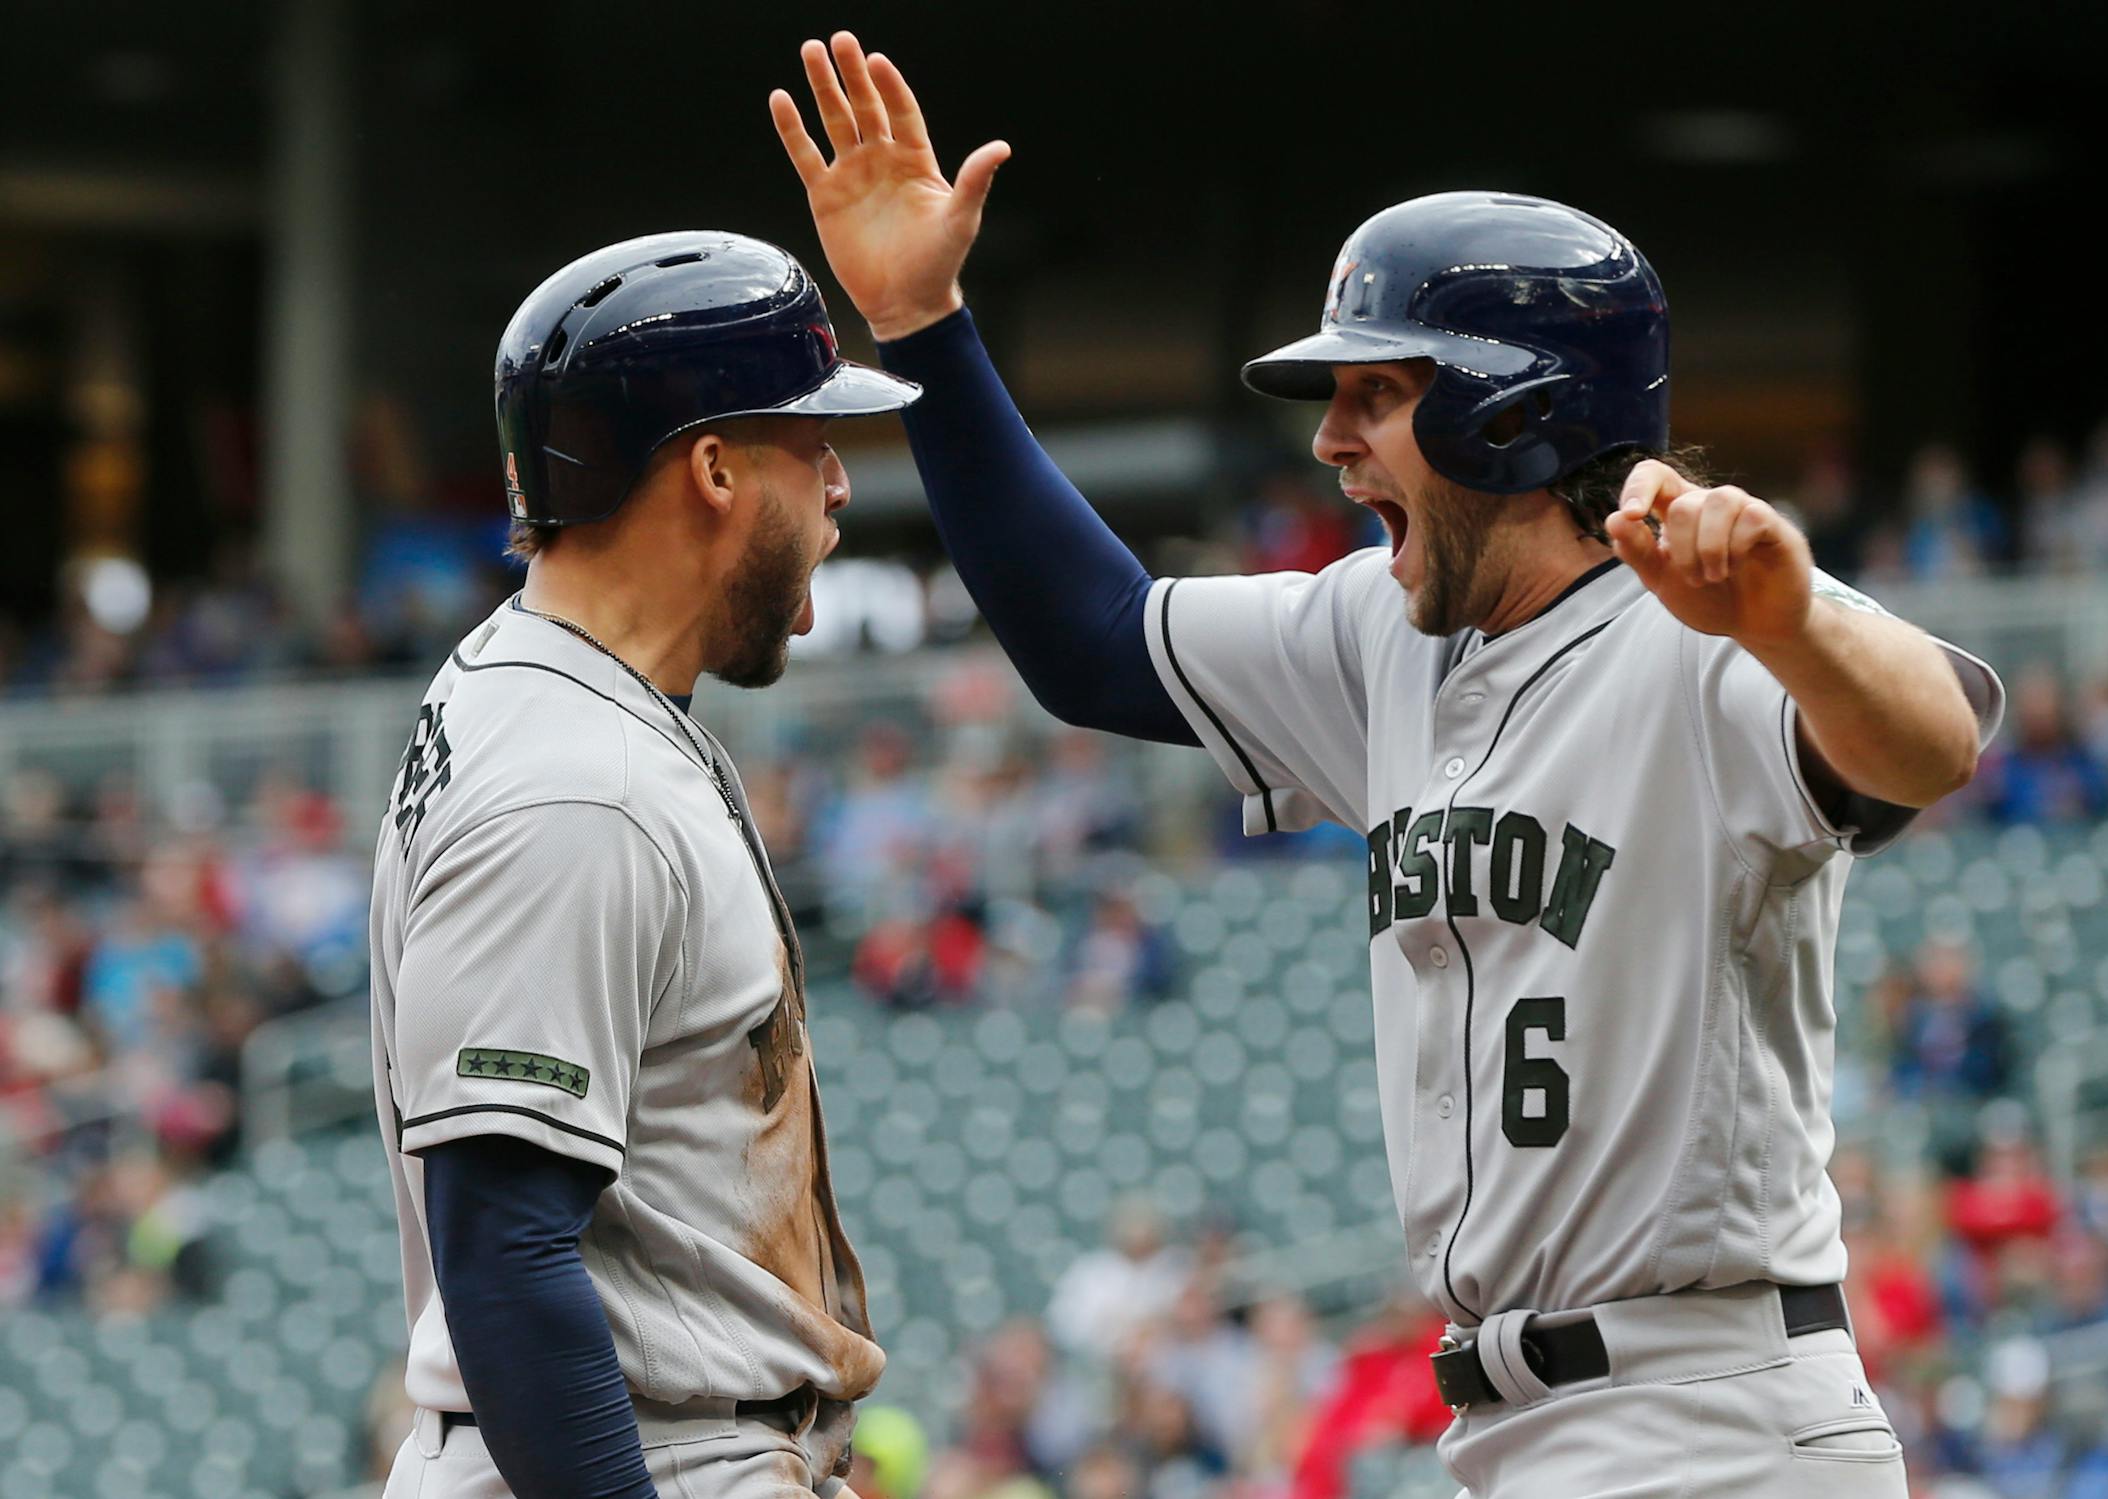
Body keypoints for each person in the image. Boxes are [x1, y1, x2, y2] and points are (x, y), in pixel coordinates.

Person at [769, 35, 2004, 1498]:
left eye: (1376, 392)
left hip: (1713, 1413)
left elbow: (1929, 744)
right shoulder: (1382, 630)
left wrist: (1794, 623)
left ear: (1513, 412)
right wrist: (924, 324)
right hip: (1512, 1423)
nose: (1335, 440)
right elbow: (1092, 637)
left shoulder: (1708, 612)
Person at [368, 232, 919, 1499]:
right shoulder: (575, 785)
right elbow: (506, 1245)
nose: (839, 484)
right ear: (714, 467)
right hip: (641, 1456)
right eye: (812, 443)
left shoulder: (569, 698)